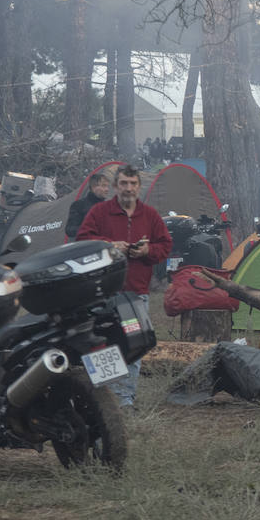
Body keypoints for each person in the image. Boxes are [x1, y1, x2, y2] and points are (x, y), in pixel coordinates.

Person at [77, 165, 172, 408]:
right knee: (103, 345)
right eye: (123, 183)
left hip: (135, 295)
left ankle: (126, 401)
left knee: (134, 346)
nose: (128, 188)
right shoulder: (100, 212)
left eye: (132, 184)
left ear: (139, 187)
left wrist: (148, 250)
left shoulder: (150, 215)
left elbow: (165, 246)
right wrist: (108, 245)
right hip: (103, 293)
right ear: (116, 187)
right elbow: (82, 240)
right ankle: (103, 401)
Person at [65, 171, 111, 240]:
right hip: (88, 247)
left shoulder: (109, 207)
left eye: (107, 186)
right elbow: (70, 230)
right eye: (104, 186)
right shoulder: (79, 205)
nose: (107, 189)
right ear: (93, 187)